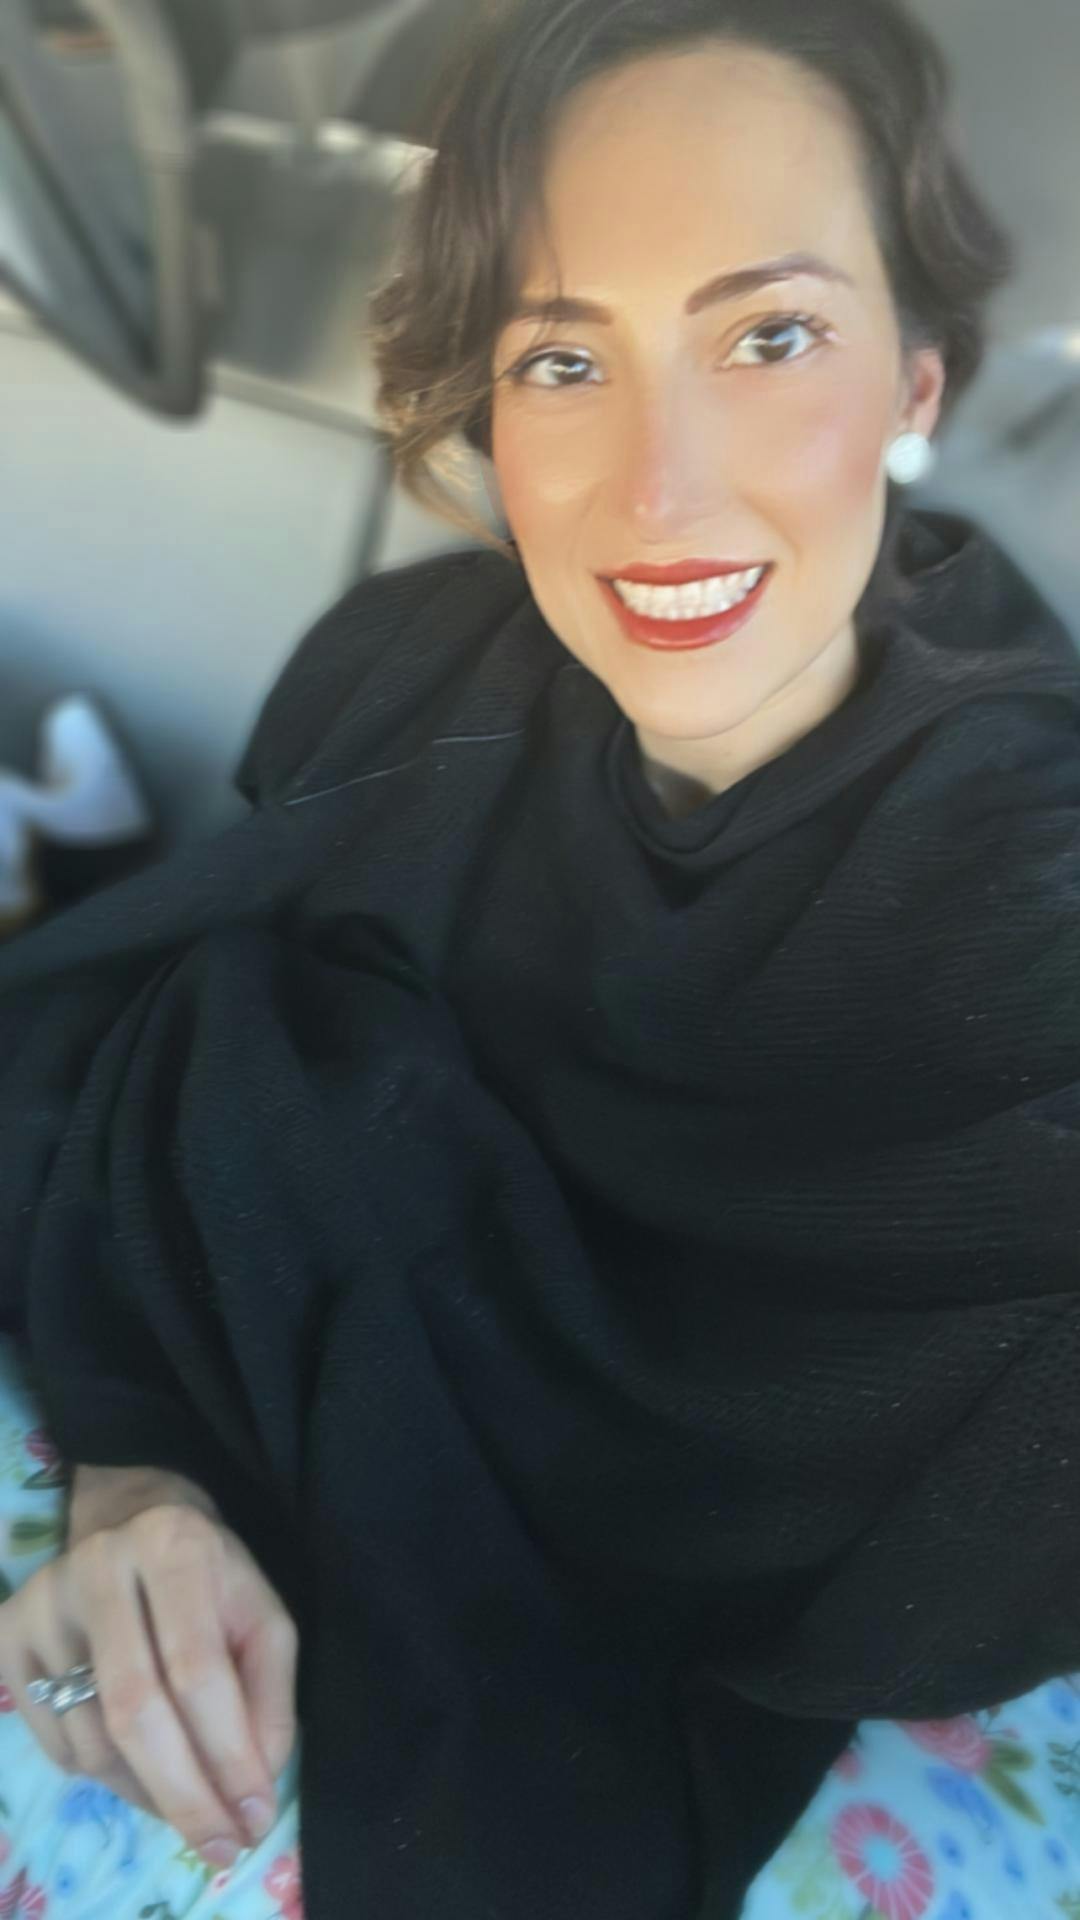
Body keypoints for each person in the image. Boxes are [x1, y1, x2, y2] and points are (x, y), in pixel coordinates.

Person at [2, 1, 1080, 1916]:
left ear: (915, 380)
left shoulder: (1033, 912)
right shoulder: (409, 675)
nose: (657, 488)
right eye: (564, 358)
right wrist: (147, 1470)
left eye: (770, 336)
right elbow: (159, 1019)